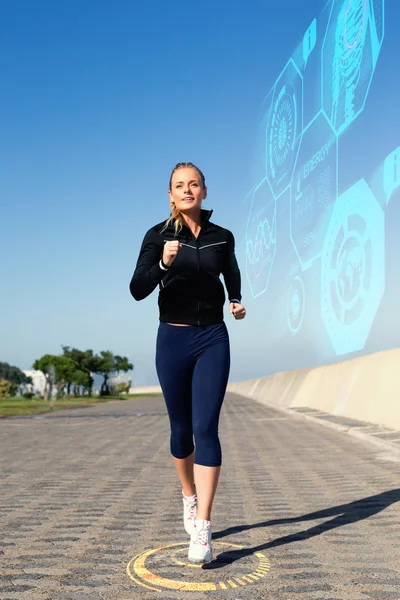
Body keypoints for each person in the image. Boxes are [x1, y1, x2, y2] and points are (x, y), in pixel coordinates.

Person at [129, 162, 246, 564]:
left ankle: (205, 528)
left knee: (205, 428)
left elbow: (230, 271)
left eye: (194, 184)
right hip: (173, 337)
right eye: (180, 185)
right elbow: (137, 289)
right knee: (181, 432)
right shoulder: (157, 235)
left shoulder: (221, 237)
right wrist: (162, 263)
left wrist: (235, 299)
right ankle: (189, 496)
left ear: (205, 191)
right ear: (170, 194)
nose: (187, 190)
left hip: (213, 336)